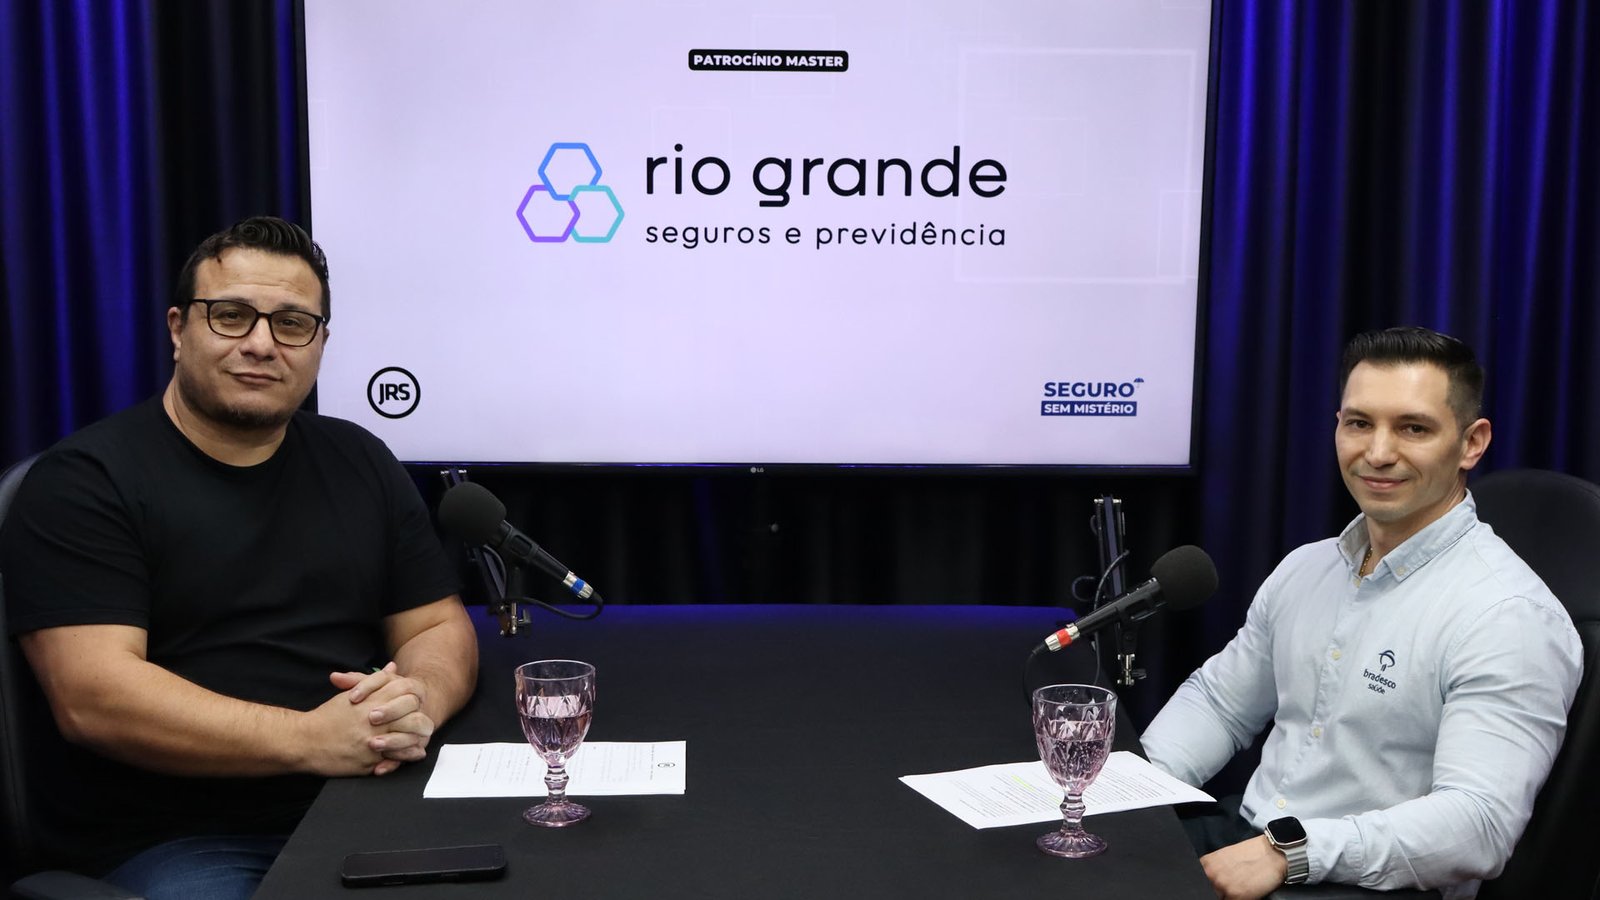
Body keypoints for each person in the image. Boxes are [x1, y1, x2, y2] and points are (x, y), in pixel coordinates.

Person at [0, 217, 479, 899]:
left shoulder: (360, 460)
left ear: (320, 344)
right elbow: (94, 697)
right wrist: (309, 739)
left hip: (368, 797)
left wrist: (416, 701)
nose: (260, 344)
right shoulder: (85, 482)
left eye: (291, 324)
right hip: (181, 838)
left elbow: (435, 625)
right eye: (230, 316)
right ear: (178, 329)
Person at [1140, 326, 1582, 900]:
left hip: (1367, 885)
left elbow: (1480, 825)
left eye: (1413, 428)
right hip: (1250, 838)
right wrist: (1131, 793)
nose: (1377, 452)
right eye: (1359, 423)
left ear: (1472, 443)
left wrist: (1290, 851)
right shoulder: (1308, 567)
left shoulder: (1509, 616)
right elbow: (1220, 705)